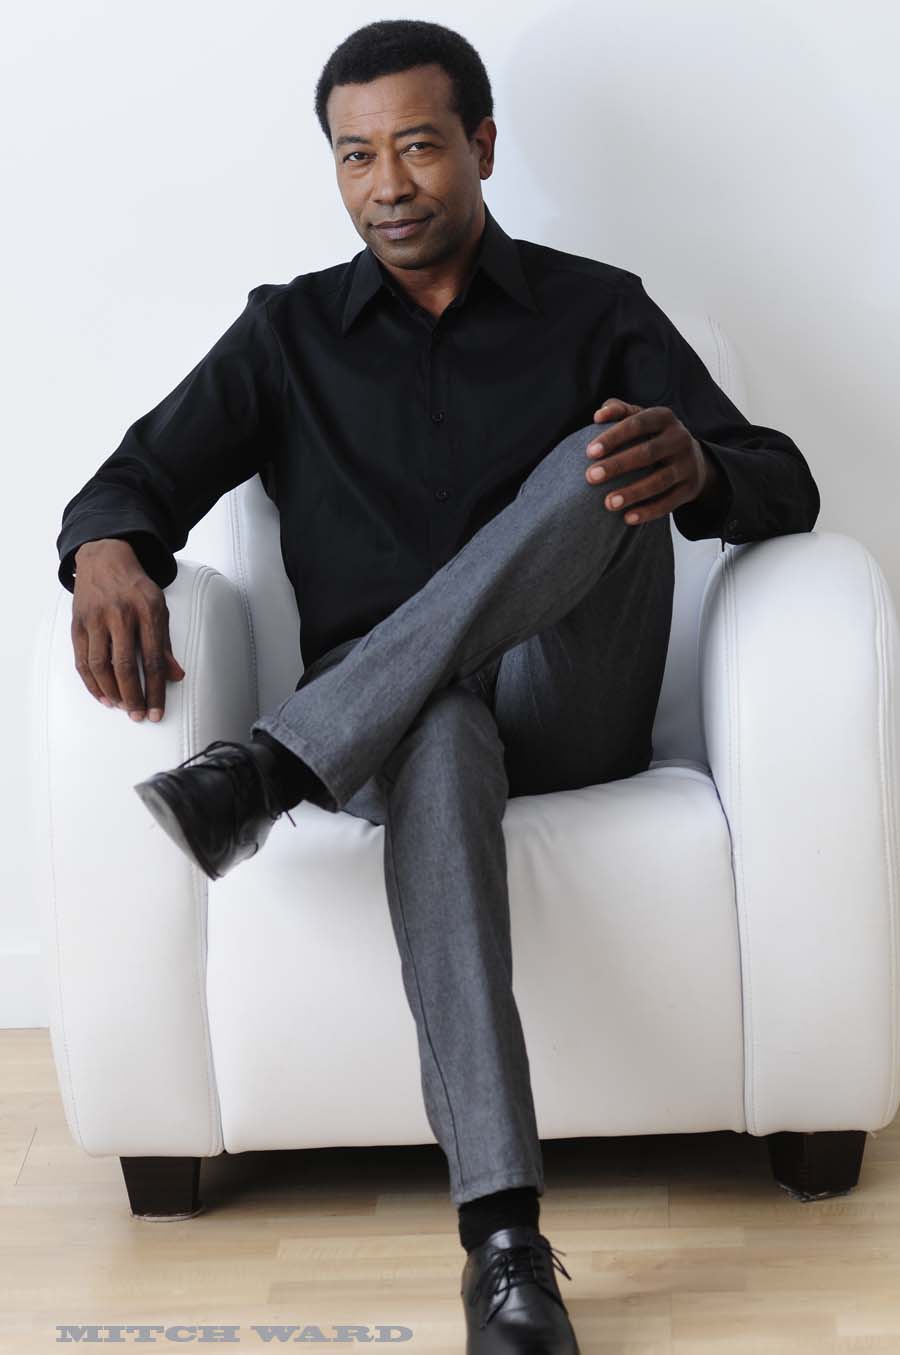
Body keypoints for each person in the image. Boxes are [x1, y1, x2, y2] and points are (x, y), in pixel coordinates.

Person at [55, 19, 820, 1351]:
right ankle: (507, 1250)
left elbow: (785, 480)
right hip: (402, 731)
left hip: (567, 705)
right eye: (356, 157)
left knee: (602, 459)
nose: (388, 185)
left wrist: (698, 468)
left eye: (417, 147)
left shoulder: (597, 308)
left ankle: (271, 767)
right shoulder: (288, 333)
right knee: (439, 730)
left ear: (482, 146)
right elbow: (133, 479)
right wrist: (107, 551)